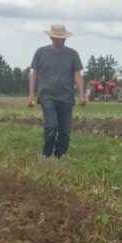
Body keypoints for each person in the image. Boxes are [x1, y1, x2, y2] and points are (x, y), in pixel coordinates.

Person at [28, 24, 85, 159]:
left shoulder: (72, 54)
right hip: (47, 96)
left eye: (62, 38)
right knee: (51, 126)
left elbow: (78, 75)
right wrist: (31, 94)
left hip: (66, 97)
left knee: (65, 132)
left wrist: (82, 95)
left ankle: (60, 155)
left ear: (65, 38)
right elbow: (34, 73)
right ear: (52, 38)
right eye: (57, 38)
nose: (60, 40)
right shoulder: (41, 52)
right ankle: (46, 155)